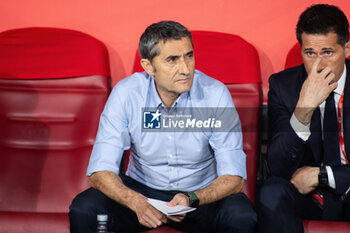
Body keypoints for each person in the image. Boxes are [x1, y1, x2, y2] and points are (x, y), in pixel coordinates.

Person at [69, 21, 256, 233]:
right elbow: (99, 171)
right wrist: (135, 201)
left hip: (198, 197)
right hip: (141, 194)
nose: (186, 69)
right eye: (172, 60)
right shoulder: (127, 94)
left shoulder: (215, 94)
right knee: (84, 208)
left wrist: (192, 198)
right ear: (148, 67)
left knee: (241, 215)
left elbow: (234, 178)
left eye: (189, 56)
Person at [257, 4, 350, 233]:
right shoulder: (284, 86)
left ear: (346, 49)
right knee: (271, 191)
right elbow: (277, 168)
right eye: (310, 53)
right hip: (308, 197)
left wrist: (322, 175)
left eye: (328, 52)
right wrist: (304, 108)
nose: (318, 65)